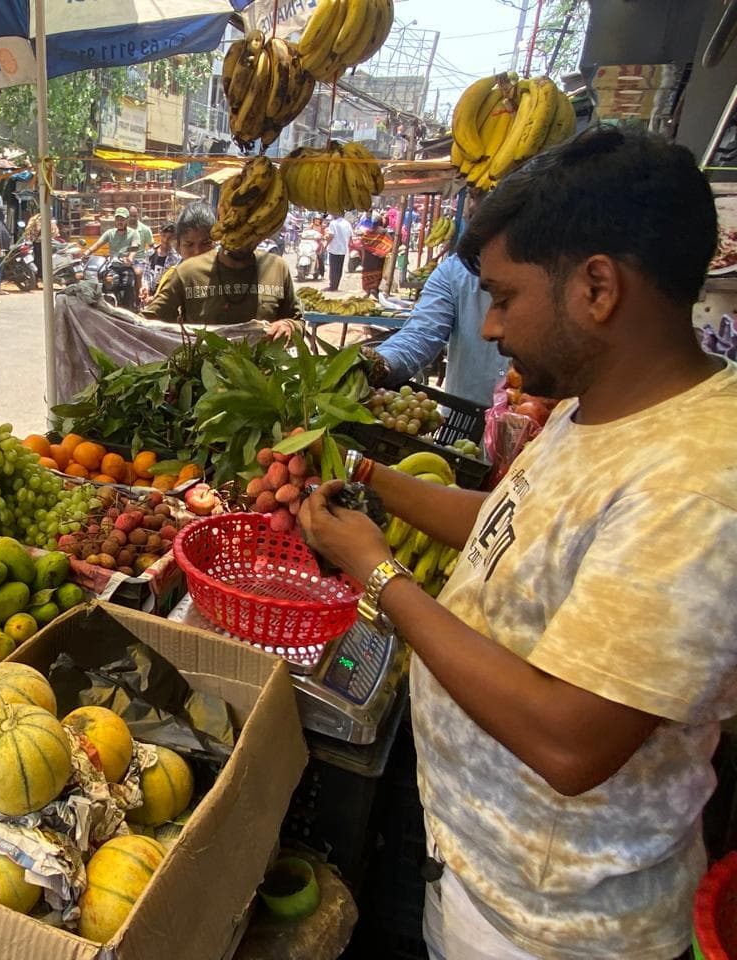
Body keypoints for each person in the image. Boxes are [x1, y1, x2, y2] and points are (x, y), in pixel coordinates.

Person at [299, 126, 736, 960]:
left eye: (504, 297)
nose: (491, 326)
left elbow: (570, 740)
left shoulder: (695, 486)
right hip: (487, 879)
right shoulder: (598, 407)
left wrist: (378, 574)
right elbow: (512, 525)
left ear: (598, 287)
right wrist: (369, 476)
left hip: (557, 930)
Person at [143, 202, 298, 339]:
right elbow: (147, 323)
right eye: (235, 231)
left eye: (249, 234)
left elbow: (297, 320)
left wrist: (289, 326)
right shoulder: (187, 272)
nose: (197, 251)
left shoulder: (277, 268)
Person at [374, 253, 506, 407]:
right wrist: (380, 363)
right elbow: (421, 333)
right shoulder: (455, 270)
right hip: (467, 412)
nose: (488, 332)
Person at [357, 219, 393, 297]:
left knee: (367, 274)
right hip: (378, 258)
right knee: (377, 274)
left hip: (367, 258)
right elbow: (390, 244)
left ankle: (367, 291)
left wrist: (363, 257)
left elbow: (362, 243)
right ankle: (374, 289)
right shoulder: (383, 231)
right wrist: (382, 251)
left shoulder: (368, 232)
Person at [144, 223, 181, 297]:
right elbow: (146, 274)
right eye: (164, 236)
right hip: (149, 293)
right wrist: (145, 288)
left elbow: (172, 283)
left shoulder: (176, 258)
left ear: (174, 238)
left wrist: (155, 297)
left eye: (170, 238)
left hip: (165, 296)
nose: (166, 240)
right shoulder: (150, 253)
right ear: (160, 234)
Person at [325, 212, 354, 291]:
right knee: (339, 269)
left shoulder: (333, 223)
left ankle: (332, 286)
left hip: (334, 249)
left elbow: (331, 236)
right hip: (343, 249)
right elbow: (351, 237)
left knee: (333, 268)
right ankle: (336, 285)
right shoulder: (347, 223)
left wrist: (325, 245)